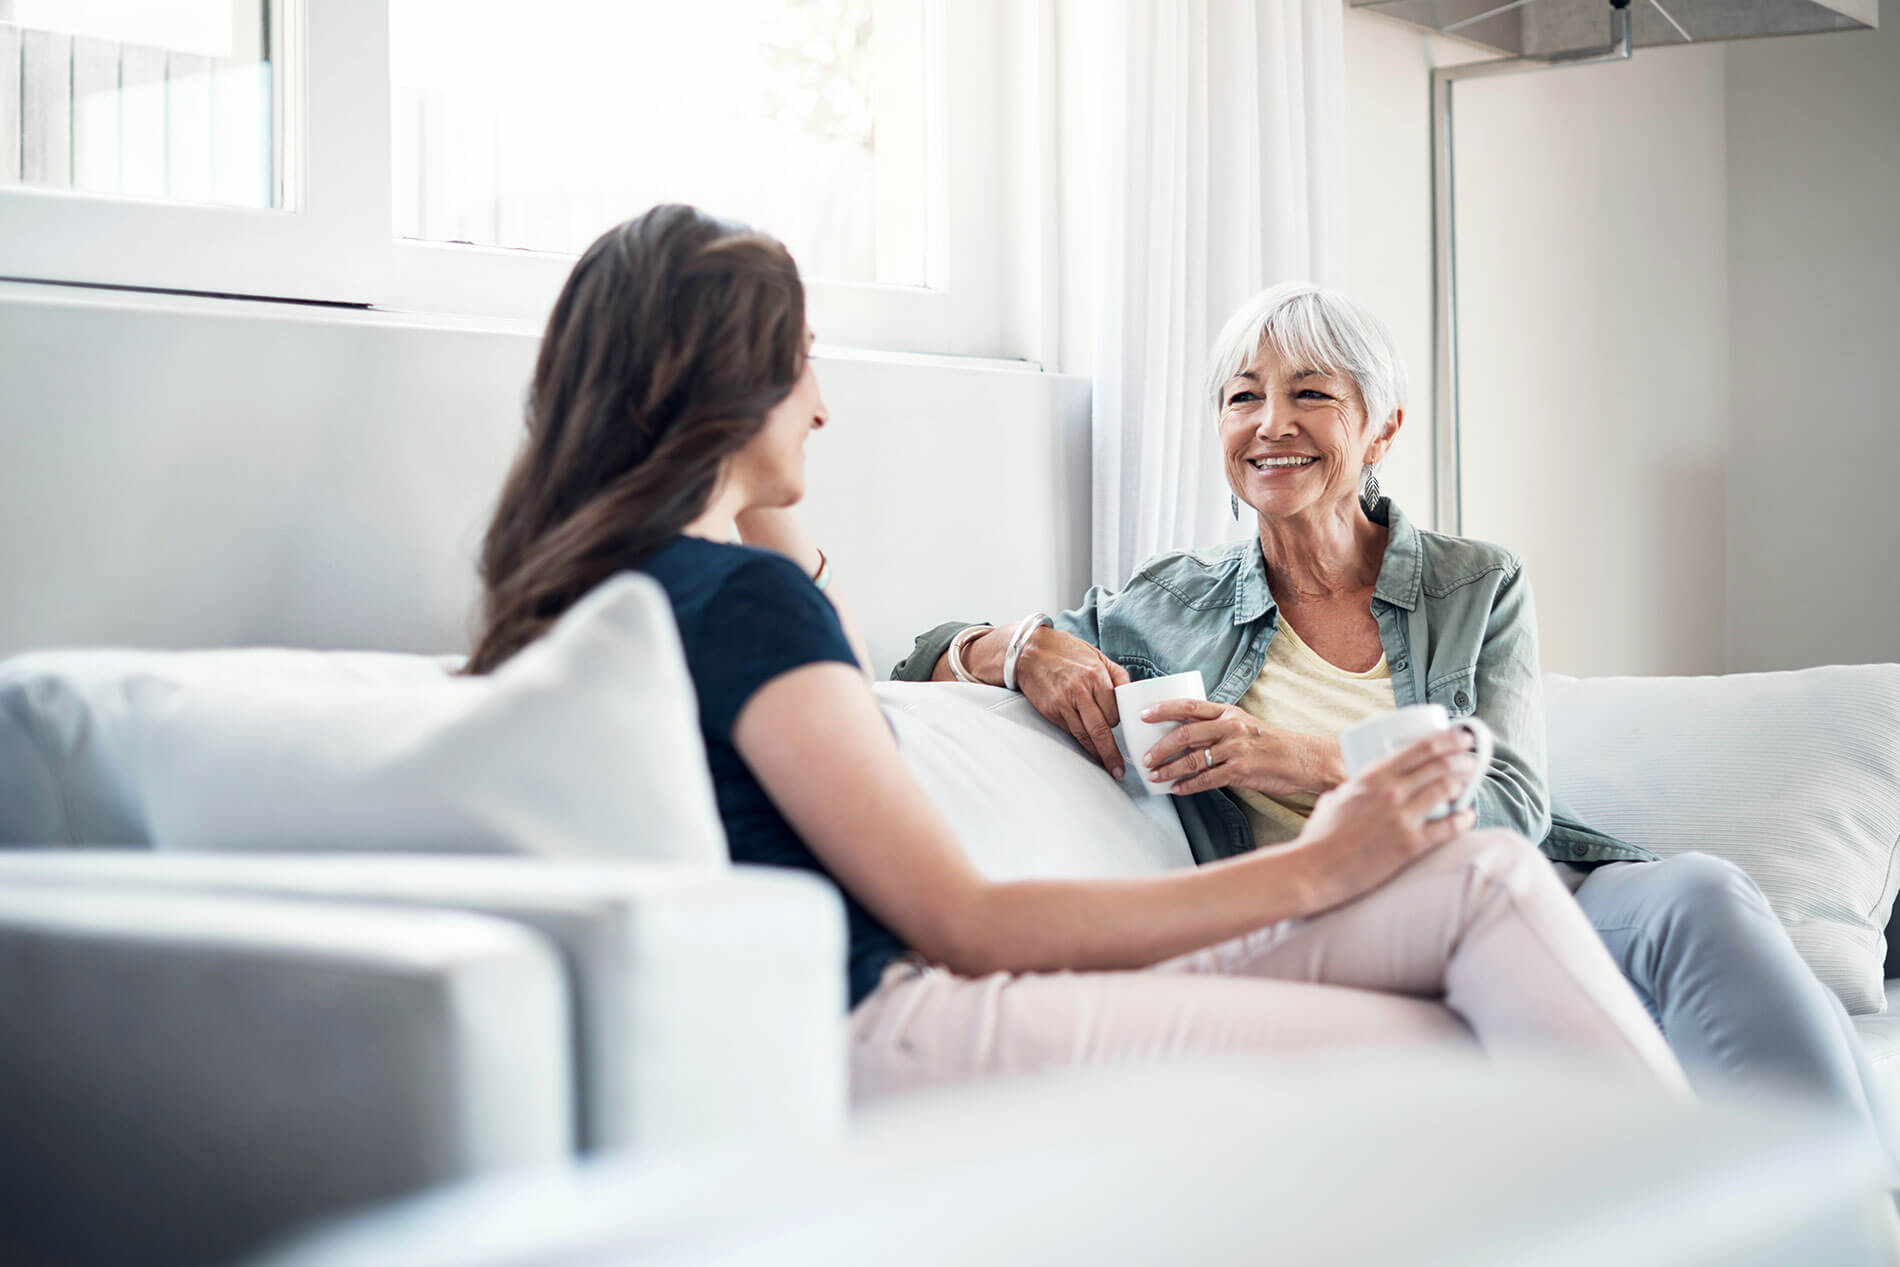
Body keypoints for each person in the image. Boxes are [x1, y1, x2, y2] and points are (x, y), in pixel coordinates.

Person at [468, 204, 1687, 1103]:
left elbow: (808, 589)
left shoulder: (598, 590)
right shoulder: (733, 605)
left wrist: (1013, 642)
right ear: (724, 390)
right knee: (1457, 1020)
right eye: (801, 362)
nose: (824, 403)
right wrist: (1325, 866)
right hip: (891, 1020)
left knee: (1491, 889)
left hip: (861, 1008)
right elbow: (967, 921)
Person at [893, 279, 1889, 1144]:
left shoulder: (1474, 584)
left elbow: (1506, 813)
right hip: (1331, 923)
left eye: (1310, 394)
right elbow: (921, 653)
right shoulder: (1166, 605)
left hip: (1527, 886)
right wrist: (1022, 645)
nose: (1269, 424)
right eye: (1242, 397)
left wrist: (1295, 757)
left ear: (1383, 427)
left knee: (1701, 893)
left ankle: (1837, 1206)